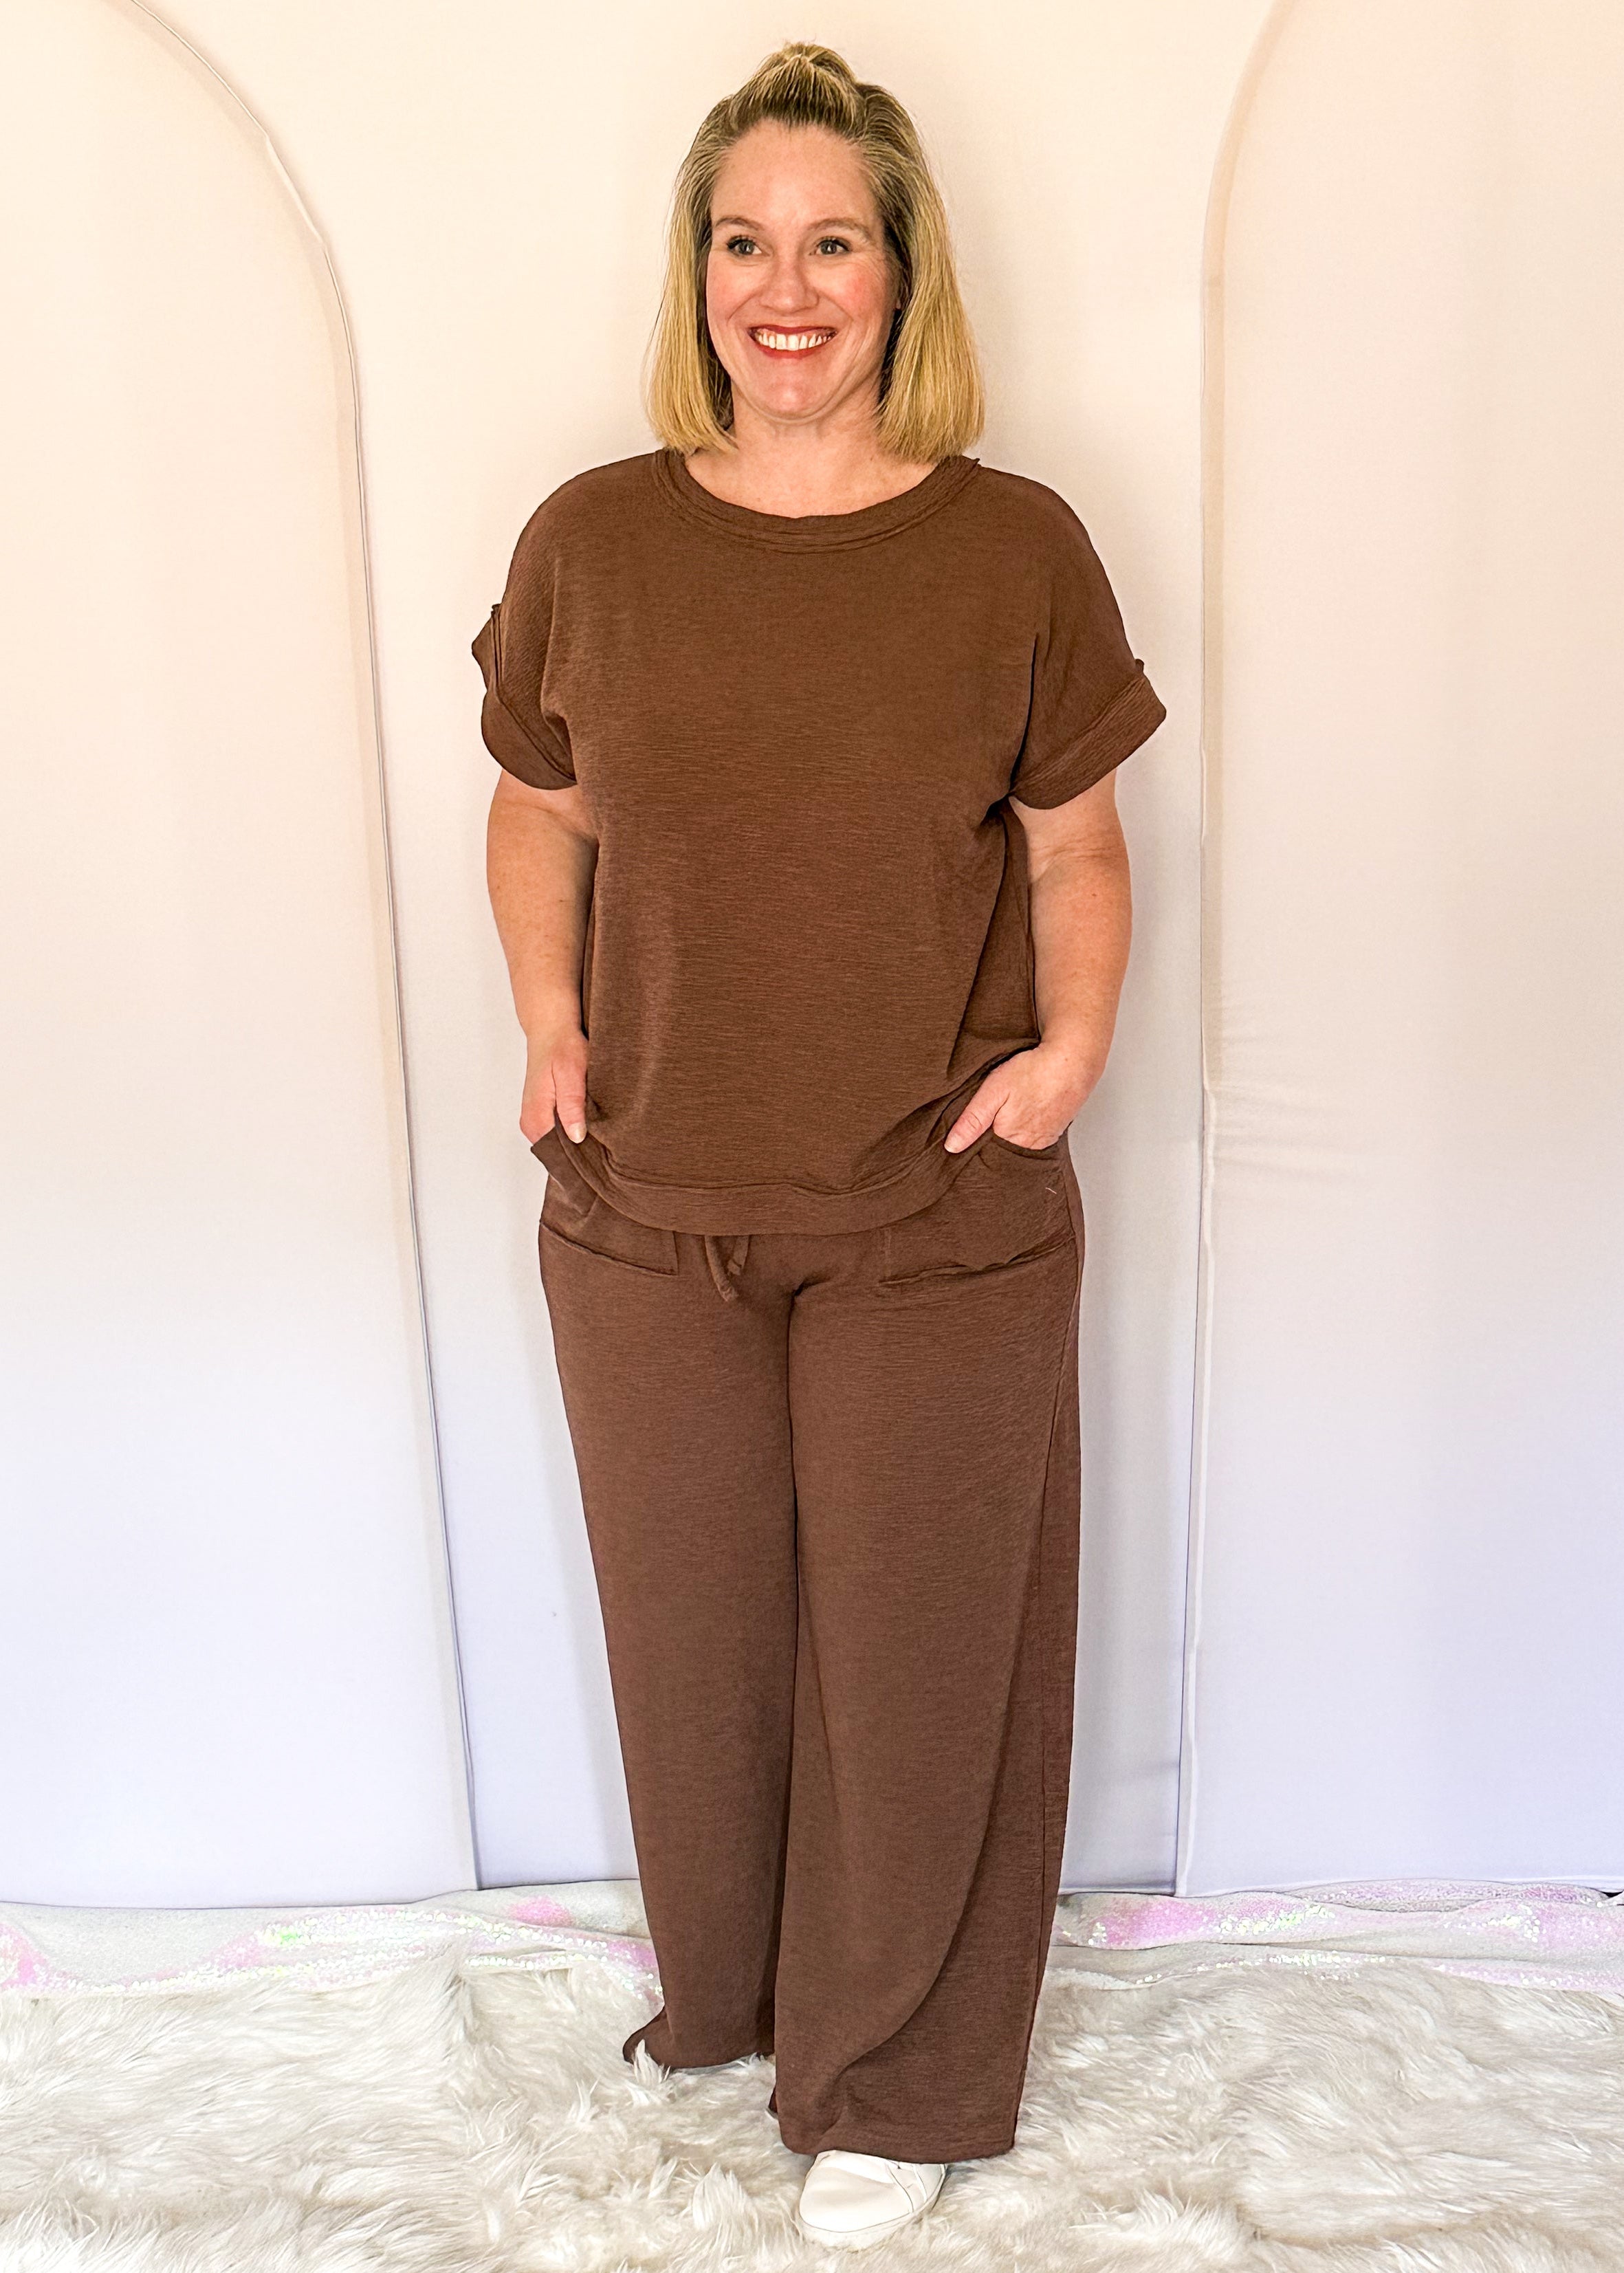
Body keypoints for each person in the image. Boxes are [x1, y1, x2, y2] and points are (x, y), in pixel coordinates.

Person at [476, 39, 1166, 2253]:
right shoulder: (592, 538)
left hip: (930, 1204)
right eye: (743, 243)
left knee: (919, 1651)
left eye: (832, 244)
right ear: (696, 274)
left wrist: (1069, 1050)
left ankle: (901, 2076)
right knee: (700, 1648)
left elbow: (1073, 845)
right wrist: (553, 1017)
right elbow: (538, 805)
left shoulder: (1013, 548)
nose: (785, 290)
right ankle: (748, 2002)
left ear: (900, 275)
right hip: (644, 1203)